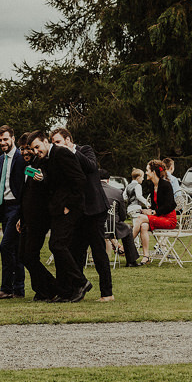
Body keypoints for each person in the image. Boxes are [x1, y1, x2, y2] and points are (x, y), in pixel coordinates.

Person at [50, 128, 113, 302]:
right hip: (77, 212)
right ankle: (76, 289)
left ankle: (107, 293)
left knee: (99, 251)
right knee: (76, 252)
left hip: (94, 209)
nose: (56, 146)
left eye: (58, 142)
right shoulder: (59, 158)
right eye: (53, 143)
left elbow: (92, 167)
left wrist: (72, 151)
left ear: (68, 140)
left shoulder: (84, 150)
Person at [29, 130, 93, 302]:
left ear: (45, 142)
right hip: (58, 209)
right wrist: (43, 179)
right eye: (33, 149)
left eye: (37, 147)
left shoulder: (61, 152)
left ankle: (81, 282)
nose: (36, 152)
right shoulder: (46, 159)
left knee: (57, 245)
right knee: (57, 246)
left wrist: (69, 205)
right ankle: (66, 290)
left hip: (70, 209)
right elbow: (57, 183)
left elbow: (79, 180)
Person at [0, 125, 26, 299]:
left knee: (5, 246)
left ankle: (7, 288)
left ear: (13, 139)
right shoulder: (1, 159)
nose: (3, 143)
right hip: (4, 208)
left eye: (6, 139)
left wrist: (23, 213)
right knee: (14, 250)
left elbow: (25, 186)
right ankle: (17, 290)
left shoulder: (21, 157)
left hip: (17, 207)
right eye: (0, 140)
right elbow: (0, 185)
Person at [15, 132, 58, 301]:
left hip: (40, 218)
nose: (25, 152)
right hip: (27, 218)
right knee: (23, 255)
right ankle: (43, 289)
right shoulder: (26, 166)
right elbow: (26, 195)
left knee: (30, 256)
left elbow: (49, 183)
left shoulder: (41, 163)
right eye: (22, 149)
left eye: (28, 149)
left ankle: (50, 289)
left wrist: (43, 179)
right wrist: (21, 217)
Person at [132, 160, 177, 264]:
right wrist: (149, 210)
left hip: (169, 219)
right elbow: (154, 205)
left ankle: (127, 245)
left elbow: (171, 205)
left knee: (140, 218)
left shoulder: (166, 185)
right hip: (159, 217)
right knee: (143, 226)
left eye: (147, 170)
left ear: (153, 172)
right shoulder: (152, 186)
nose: (146, 172)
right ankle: (146, 256)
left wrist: (154, 213)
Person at [98, 169, 144, 267]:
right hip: (112, 227)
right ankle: (131, 261)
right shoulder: (117, 192)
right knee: (127, 229)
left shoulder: (90, 192)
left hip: (94, 227)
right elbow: (122, 215)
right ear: (108, 180)